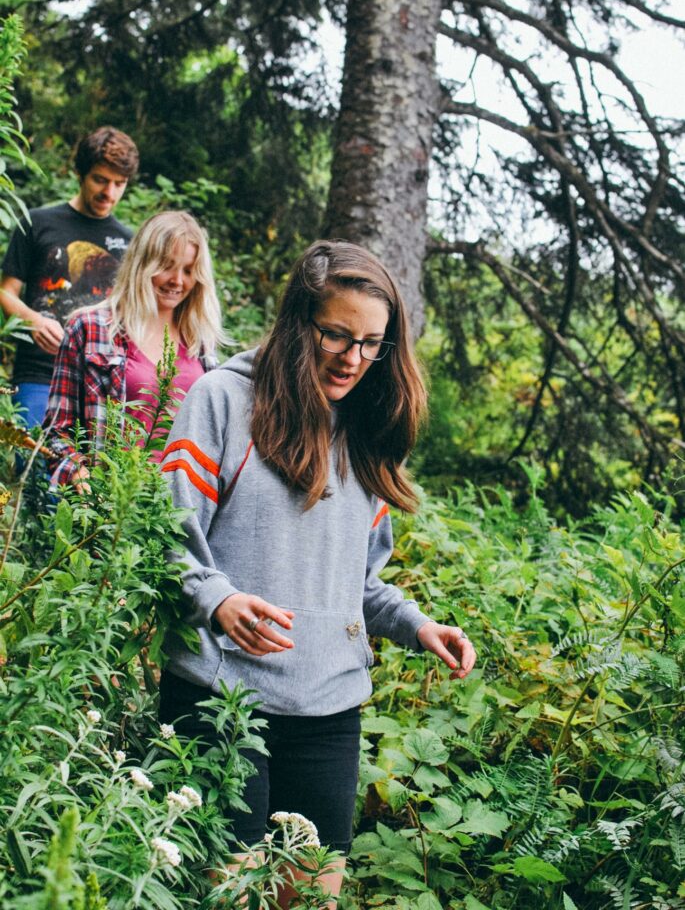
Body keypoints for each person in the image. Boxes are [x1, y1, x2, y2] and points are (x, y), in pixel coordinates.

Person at [158, 239, 477, 908]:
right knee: (235, 898)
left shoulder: (365, 426)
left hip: (326, 707)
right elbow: (164, 535)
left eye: (371, 344)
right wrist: (217, 600)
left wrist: (416, 625)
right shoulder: (221, 400)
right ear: (298, 321)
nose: (353, 359)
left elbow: (356, 580)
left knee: (309, 901)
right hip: (222, 701)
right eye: (336, 335)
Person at [43, 210, 224, 489]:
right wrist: (79, 475)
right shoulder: (91, 328)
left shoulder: (200, 343)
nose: (178, 280)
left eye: (188, 270)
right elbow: (57, 430)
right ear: (143, 264)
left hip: (177, 510)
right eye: (167, 266)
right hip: (111, 504)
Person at [0, 126, 139, 433]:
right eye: (100, 180)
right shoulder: (38, 222)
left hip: (100, 382)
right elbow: (5, 291)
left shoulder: (130, 242)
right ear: (80, 174)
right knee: (35, 467)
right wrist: (33, 320)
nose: (109, 193)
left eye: (119, 184)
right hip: (39, 375)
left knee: (92, 476)